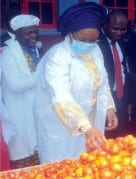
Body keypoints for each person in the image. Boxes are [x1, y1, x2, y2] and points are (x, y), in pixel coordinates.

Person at [33, 2, 118, 164]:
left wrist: (109, 108)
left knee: (90, 166)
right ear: (71, 34)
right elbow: (61, 96)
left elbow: (103, 81)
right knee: (63, 166)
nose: (88, 44)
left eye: (93, 40)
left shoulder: (95, 50)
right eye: (83, 39)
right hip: (60, 127)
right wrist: (85, 126)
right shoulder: (57, 57)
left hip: (92, 122)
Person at [0, 14, 41, 169]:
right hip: (18, 110)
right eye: (28, 33)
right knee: (21, 151)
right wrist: (42, 74)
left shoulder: (35, 49)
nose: (33, 36)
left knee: (37, 151)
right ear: (16, 34)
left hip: (35, 107)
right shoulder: (8, 53)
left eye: (35, 32)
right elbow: (16, 85)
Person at [98, 10, 130, 138]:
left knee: (122, 132)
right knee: (107, 132)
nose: (119, 33)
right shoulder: (96, 43)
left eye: (123, 29)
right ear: (105, 25)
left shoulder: (120, 41)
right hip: (105, 96)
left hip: (121, 95)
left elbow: (123, 66)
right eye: (115, 28)